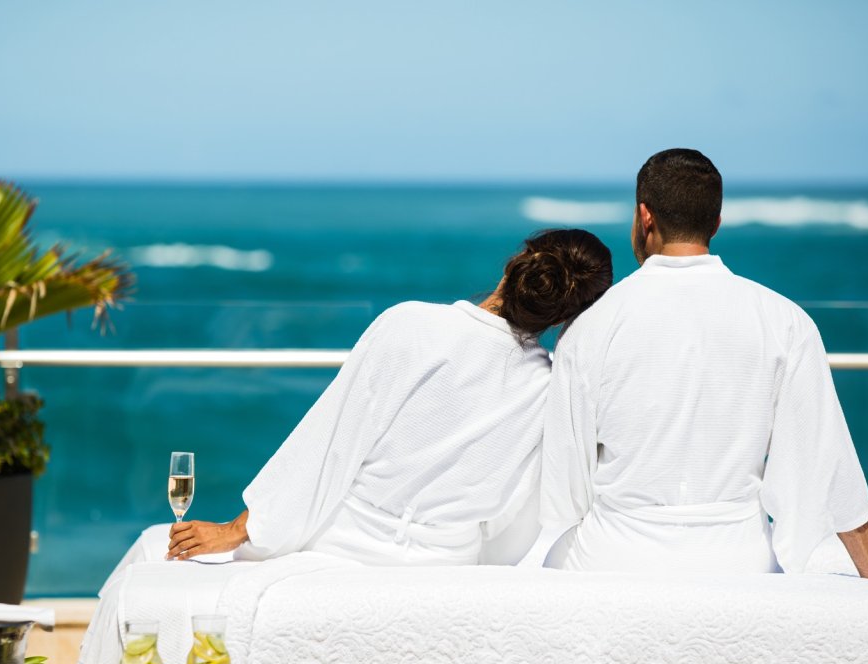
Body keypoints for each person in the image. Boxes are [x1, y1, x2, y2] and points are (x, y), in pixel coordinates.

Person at [540, 148, 868, 582]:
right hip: (738, 564)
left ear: (645, 217)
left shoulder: (589, 327)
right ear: (715, 223)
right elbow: (828, 456)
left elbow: (565, 490)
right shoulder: (785, 321)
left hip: (614, 560)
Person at [168, 229, 613, 566]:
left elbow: (330, 445)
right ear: (566, 317)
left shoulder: (410, 326)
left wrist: (241, 529)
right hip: (444, 568)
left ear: (516, 263)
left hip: (342, 553)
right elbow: (511, 522)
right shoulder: (547, 387)